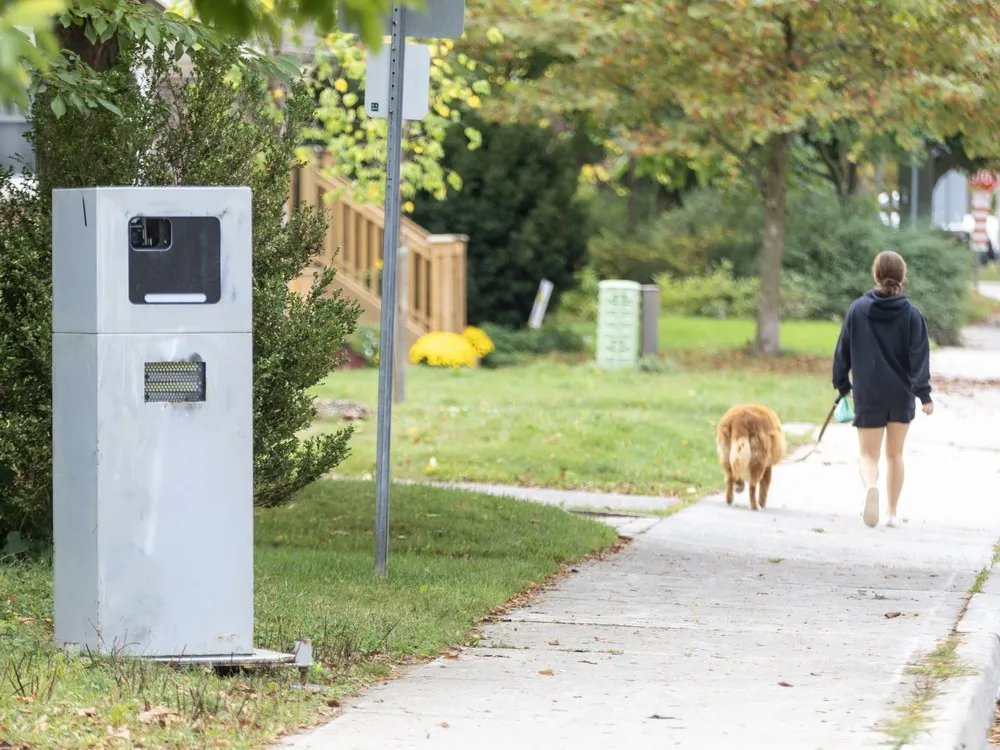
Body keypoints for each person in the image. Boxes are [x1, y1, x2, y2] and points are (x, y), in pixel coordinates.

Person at [832, 251, 933, 528]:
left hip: (869, 393)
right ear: (903, 277)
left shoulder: (858, 310)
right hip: (900, 395)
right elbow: (919, 356)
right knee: (895, 454)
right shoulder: (912, 315)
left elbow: (842, 351)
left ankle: (870, 489)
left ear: (875, 275)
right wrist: (923, 394)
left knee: (868, 455)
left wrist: (842, 384)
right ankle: (891, 513)